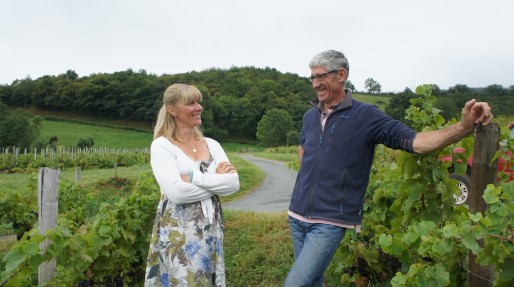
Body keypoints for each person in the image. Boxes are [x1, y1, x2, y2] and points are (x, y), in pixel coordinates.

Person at [285, 50, 493, 287]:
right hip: (297, 214)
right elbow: (304, 149)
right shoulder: (309, 117)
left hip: (330, 220)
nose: (315, 84)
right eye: (312, 77)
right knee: (312, 281)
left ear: (341, 75)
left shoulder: (366, 116)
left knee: (295, 284)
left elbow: (417, 142)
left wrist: (464, 127)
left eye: (320, 76)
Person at [145, 83, 239, 287]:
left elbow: (233, 184)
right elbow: (177, 193)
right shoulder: (162, 145)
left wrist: (195, 179)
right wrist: (217, 180)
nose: (199, 107)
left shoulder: (212, 144)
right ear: (172, 110)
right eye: (191, 103)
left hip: (212, 231)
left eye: (199, 102)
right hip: (179, 232)